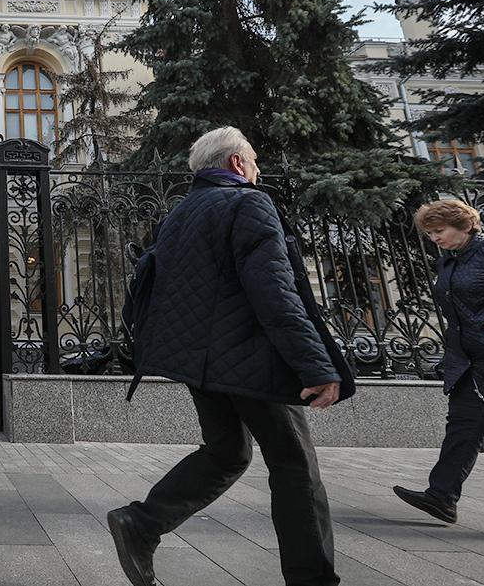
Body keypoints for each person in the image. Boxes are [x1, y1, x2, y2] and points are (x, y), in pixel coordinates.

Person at [108, 126, 352, 586]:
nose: (258, 169)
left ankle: (142, 523)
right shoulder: (248, 203)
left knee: (226, 452)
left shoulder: (178, 214)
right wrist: (315, 365)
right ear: (237, 164)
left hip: (197, 361)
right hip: (249, 358)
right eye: (254, 161)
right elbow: (276, 292)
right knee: (294, 465)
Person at [392, 200, 484, 524]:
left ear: (465, 225)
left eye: (439, 231)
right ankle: (441, 496)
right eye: (429, 233)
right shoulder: (448, 262)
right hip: (472, 361)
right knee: (462, 428)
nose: (434, 238)